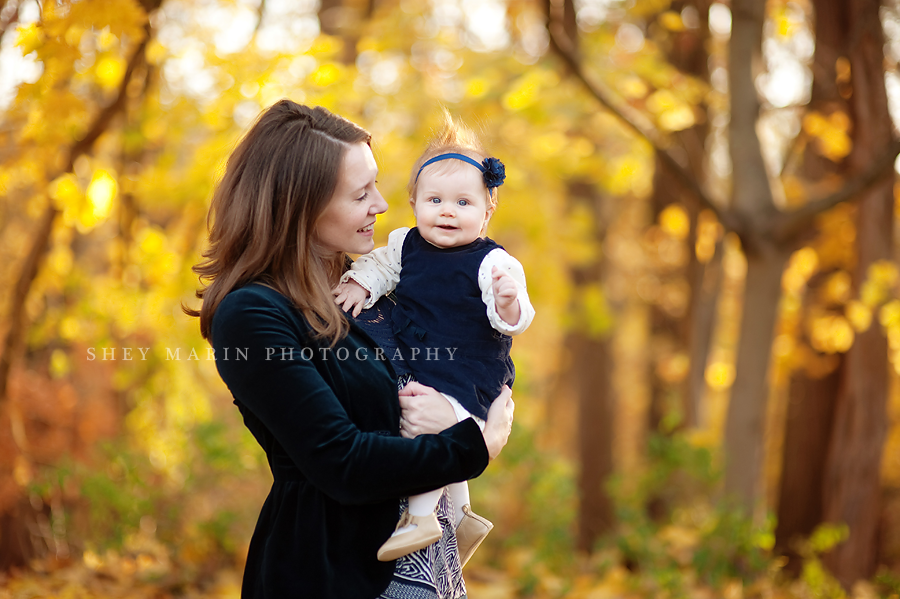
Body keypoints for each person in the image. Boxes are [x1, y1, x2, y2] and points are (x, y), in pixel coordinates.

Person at [186, 99, 515, 598]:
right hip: (333, 568)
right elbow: (341, 462)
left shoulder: (371, 285)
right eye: (361, 194)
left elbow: (466, 350)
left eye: (377, 186)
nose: (382, 205)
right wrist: (476, 444)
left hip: (428, 565)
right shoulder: (253, 315)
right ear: (301, 206)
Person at [332, 112, 535, 563]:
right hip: (424, 357)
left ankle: (422, 516)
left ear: (488, 210)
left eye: (464, 203)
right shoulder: (405, 244)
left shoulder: (493, 262)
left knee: (428, 429)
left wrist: (507, 303)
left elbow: (518, 319)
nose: (447, 210)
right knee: (434, 421)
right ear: (414, 202)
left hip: (468, 366)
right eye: (435, 199)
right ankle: (460, 515)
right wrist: (361, 284)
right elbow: (380, 267)